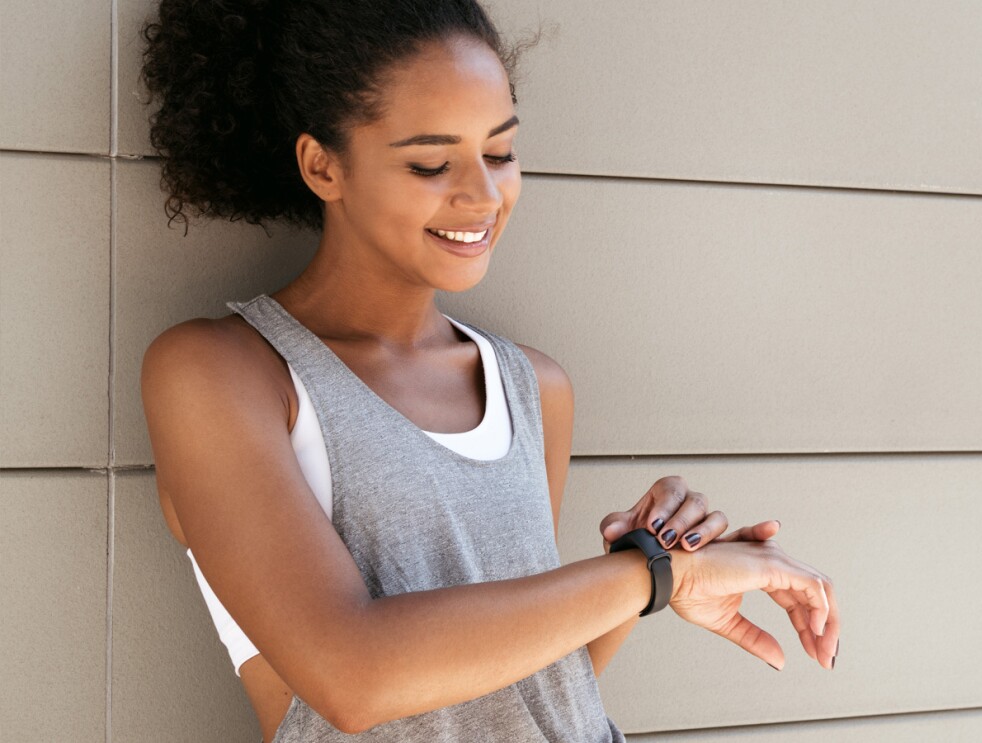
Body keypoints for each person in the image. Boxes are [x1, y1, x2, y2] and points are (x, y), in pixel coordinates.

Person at [136, 1, 840, 741]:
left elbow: (523, 692)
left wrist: (648, 567)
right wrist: (652, 575)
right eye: (432, 163)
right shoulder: (220, 373)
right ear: (323, 165)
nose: (482, 195)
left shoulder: (533, 386)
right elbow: (354, 675)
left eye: (500, 153)